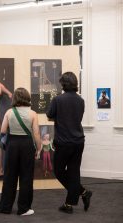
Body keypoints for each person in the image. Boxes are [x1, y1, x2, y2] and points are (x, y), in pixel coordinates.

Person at [46, 72, 92, 214]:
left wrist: (59, 118)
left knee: (59, 171)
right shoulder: (81, 100)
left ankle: (82, 193)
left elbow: (49, 115)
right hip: (78, 141)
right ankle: (73, 200)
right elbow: (76, 117)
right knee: (74, 172)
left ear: (63, 84)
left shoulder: (58, 100)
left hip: (64, 142)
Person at [0, 87, 41, 216]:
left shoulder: (9, 112)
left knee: (9, 177)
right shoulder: (33, 113)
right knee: (26, 177)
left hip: (12, 145)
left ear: (15, 98)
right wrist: (39, 148)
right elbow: (36, 134)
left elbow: (3, 131)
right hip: (27, 145)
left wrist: (3, 146)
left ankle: (4, 207)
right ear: (27, 98)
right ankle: (24, 209)